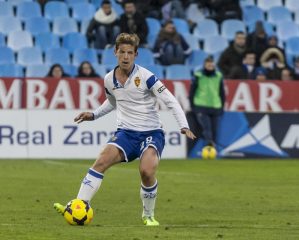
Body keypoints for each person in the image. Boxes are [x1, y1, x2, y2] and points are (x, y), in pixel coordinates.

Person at [53, 33, 196, 226]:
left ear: (136, 54)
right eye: (122, 52)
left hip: (151, 133)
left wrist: (183, 125)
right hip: (126, 133)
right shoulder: (108, 79)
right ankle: (78, 206)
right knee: (101, 162)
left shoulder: (147, 77)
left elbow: (170, 100)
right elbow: (112, 102)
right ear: (115, 52)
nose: (125, 56)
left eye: (130, 52)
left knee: (146, 171)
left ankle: (148, 215)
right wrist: (94, 115)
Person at [189, 56, 225, 147]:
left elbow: (222, 92)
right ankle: (209, 147)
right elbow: (192, 92)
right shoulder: (198, 75)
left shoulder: (218, 76)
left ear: (214, 65)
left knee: (215, 130)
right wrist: (193, 107)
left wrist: (222, 107)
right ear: (204, 65)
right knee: (207, 128)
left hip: (215, 106)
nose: (210, 67)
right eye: (208, 65)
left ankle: (211, 150)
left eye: (211, 65)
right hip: (201, 106)